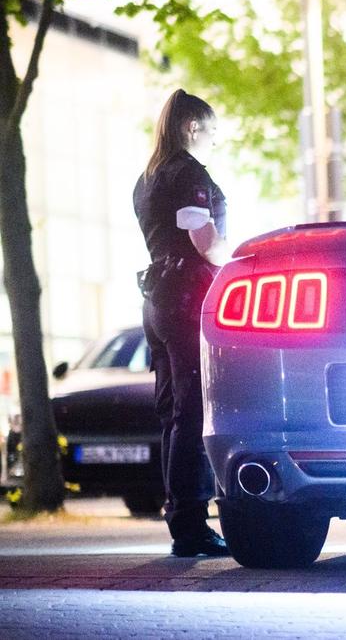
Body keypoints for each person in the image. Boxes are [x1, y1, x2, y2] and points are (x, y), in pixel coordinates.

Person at [133, 90, 231, 557]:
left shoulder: (147, 178)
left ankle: (181, 520)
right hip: (188, 298)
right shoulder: (189, 173)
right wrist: (235, 258)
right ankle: (191, 525)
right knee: (193, 411)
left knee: (173, 413)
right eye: (211, 132)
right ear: (193, 127)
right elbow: (205, 244)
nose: (214, 141)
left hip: (157, 298)